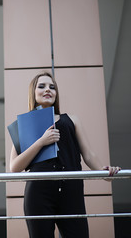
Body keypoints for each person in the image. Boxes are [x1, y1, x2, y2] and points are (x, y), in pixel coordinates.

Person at [9, 71, 121, 238]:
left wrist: (105, 173)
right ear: (33, 92)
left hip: (71, 189)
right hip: (38, 192)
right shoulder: (23, 125)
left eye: (52, 87)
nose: (48, 90)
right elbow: (14, 167)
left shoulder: (72, 119)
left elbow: (88, 154)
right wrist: (41, 141)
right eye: (42, 86)